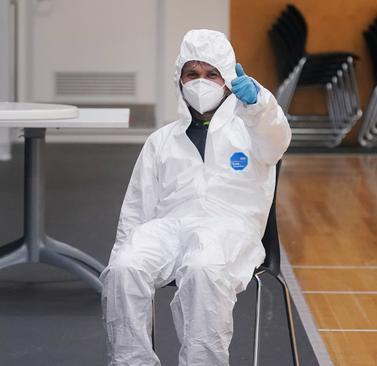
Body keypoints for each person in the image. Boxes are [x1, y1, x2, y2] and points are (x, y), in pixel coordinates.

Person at [99, 29, 291, 366]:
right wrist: (123, 252)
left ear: (228, 80)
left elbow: (278, 140)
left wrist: (260, 103)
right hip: (170, 227)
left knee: (203, 269)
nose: (200, 82)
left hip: (231, 228)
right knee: (124, 269)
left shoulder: (251, 131)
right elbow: (136, 207)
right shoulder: (162, 140)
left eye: (211, 74)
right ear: (180, 79)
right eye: (192, 74)